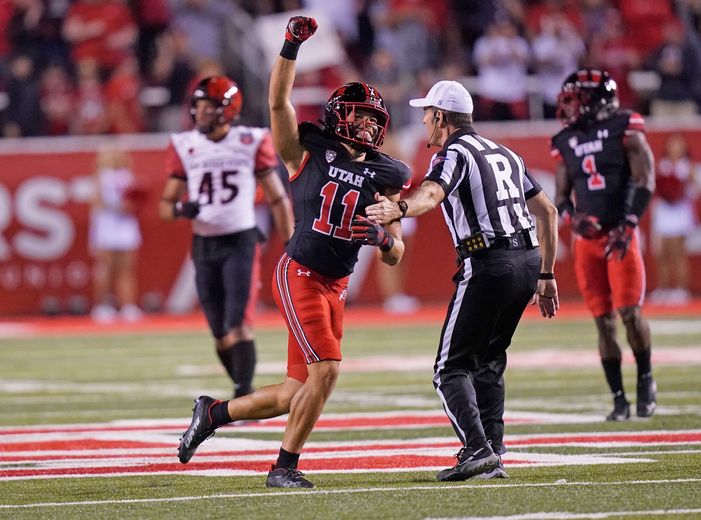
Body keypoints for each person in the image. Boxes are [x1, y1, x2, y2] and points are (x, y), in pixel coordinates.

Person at [176, 17, 410, 489]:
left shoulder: (385, 174)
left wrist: (385, 238)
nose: (366, 124)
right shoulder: (307, 152)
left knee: (292, 392)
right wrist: (290, 46)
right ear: (338, 116)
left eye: (373, 119)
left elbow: (396, 253)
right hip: (301, 271)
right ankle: (284, 467)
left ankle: (214, 412)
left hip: (337, 285)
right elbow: (277, 101)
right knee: (326, 373)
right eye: (359, 115)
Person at [366, 80, 559, 481]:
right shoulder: (505, 151)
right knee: (488, 362)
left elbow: (432, 194)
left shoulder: (454, 153)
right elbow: (549, 212)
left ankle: (476, 450)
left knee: (449, 367)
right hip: (527, 260)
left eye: (426, 114)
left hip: (489, 260)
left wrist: (398, 208)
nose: (423, 121)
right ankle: (494, 449)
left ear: (441, 117)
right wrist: (547, 273)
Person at [159, 75, 294, 399]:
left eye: (209, 107)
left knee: (239, 323)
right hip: (204, 243)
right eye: (199, 107)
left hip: (240, 241)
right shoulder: (186, 145)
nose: (201, 113)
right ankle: (242, 391)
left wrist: (291, 241)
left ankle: (244, 394)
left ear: (227, 110)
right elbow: (164, 206)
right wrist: (180, 209)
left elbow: (277, 196)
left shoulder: (250, 140)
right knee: (220, 332)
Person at [552, 69, 657, 421]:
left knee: (630, 313)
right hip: (588, 242)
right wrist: (572, 217)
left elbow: (645, 179)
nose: (568, 107)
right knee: (603, 321)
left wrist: (628, 225)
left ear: (597, 100)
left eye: (575, 99)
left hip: (619, 235)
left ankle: (645, 379)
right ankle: (619, 399)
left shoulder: (625, 126)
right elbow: (561, 196)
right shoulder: (566, 138)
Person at [89, 145, 144, 322]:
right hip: (107, 223)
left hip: (125, 224)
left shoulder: (128, 176)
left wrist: (132, 205)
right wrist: (119, 207)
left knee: (126, 268)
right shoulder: (101, 177)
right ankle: (102, 306)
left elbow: (137, 200)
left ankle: (128, 305)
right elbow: (97, 202)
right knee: (106, 267)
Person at [649, 133, 697, 305]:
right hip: (664, 211)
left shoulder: (687, 167)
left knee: (677, 252)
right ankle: (664, 288)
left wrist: (678, 191)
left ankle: (681, 289)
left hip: (679, 212)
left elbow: (694, 190)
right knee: (661, 252)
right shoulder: (662, 165)